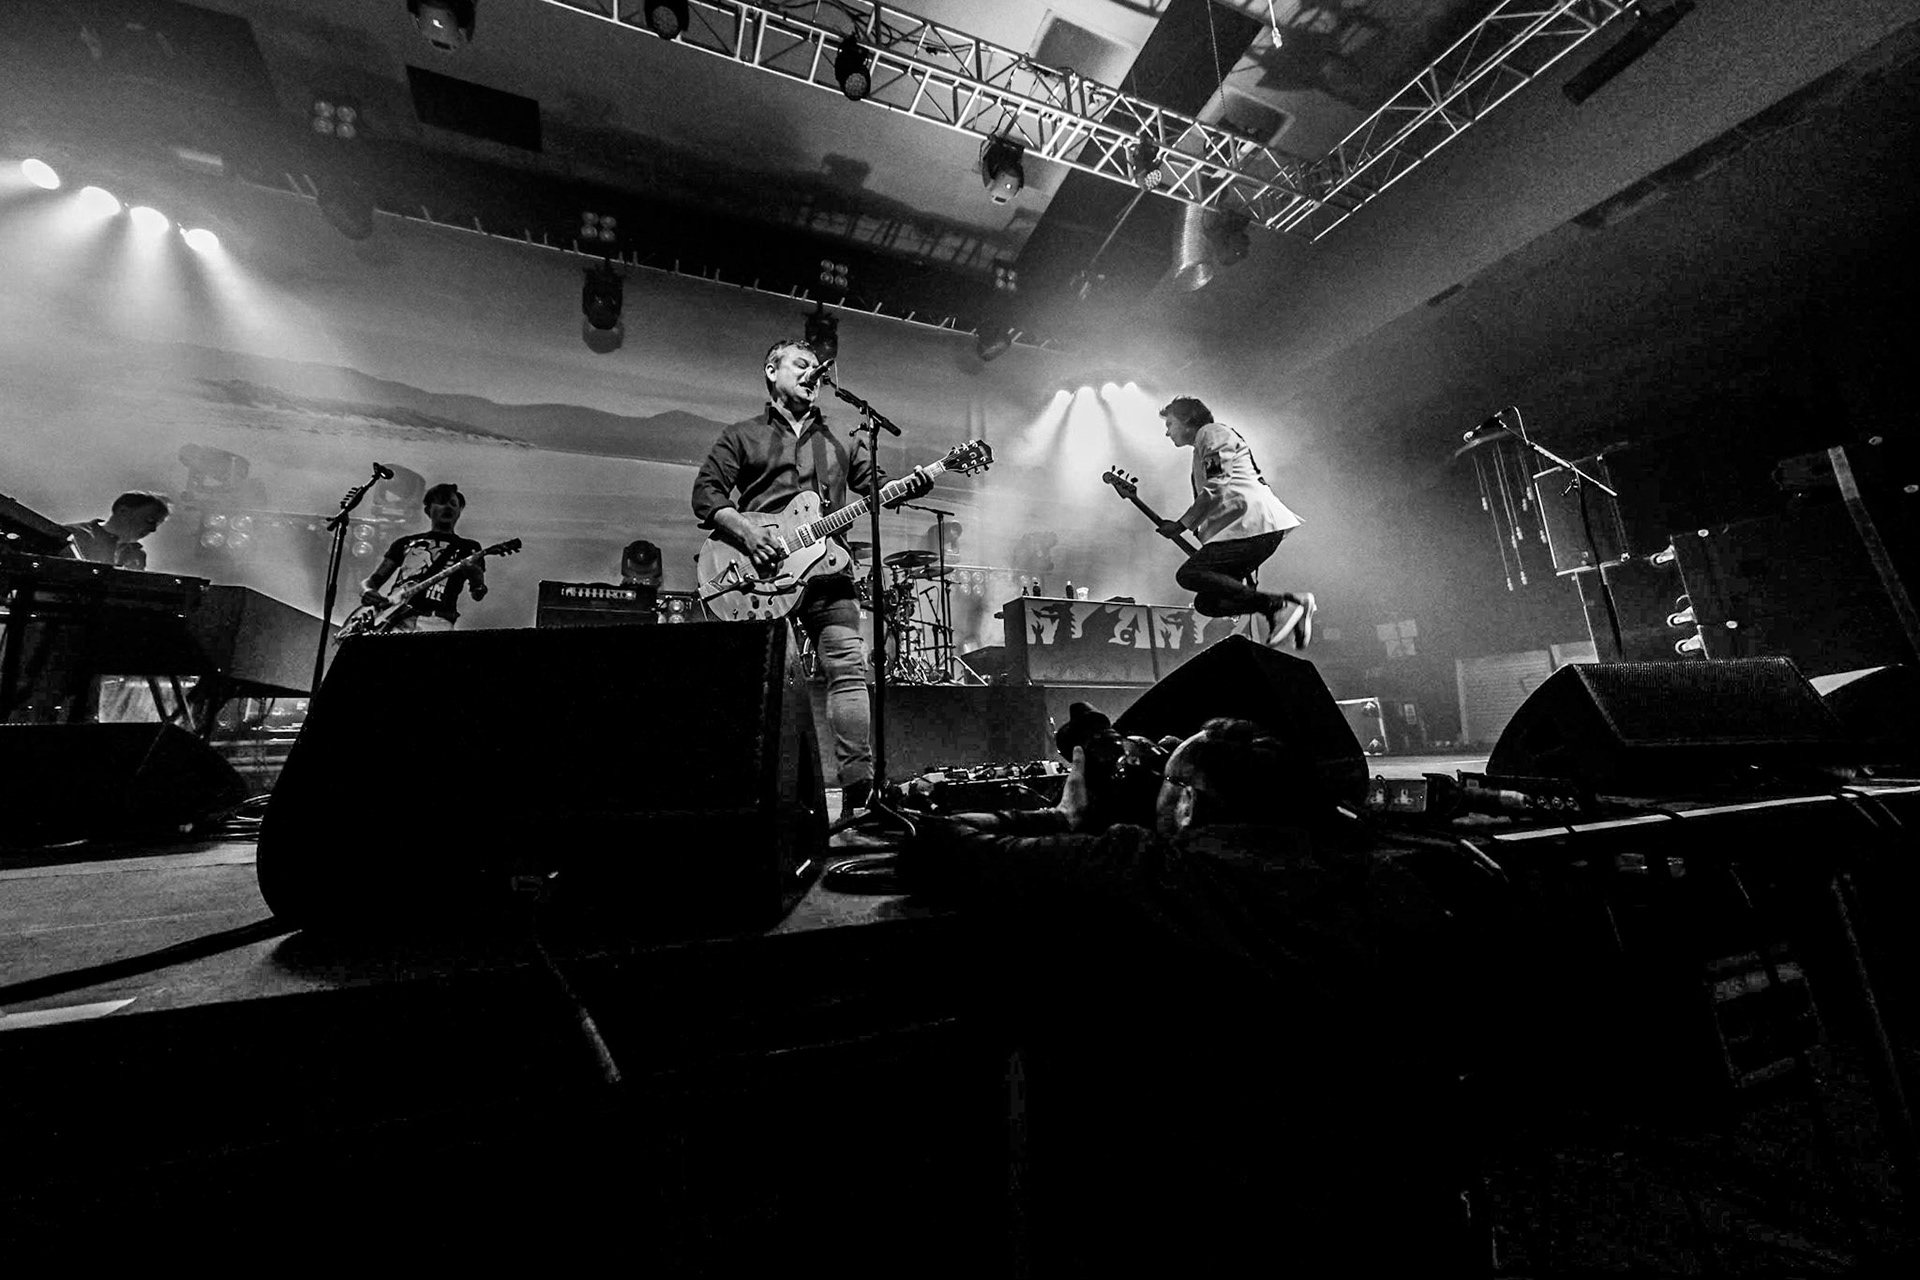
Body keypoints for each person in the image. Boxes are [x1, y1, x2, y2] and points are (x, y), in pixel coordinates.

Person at [900, 718, 1480, 1274]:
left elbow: (938, 846)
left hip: (1214, 1231)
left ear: (1186, 802)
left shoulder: (1139, 871)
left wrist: (1060, 816)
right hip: (1393, 1225)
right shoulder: (1392, 884)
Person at [691, 338, 926, 814]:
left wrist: (911, 483)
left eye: (816, 367)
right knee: (765, 681)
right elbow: (706, 494)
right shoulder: (742, 434)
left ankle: (860, 787)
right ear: (771, 371)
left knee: (848, 666)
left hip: (828, 571)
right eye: (800, 364)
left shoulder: (842, 439)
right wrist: (749, 533)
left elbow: (876, 487)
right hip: (759, 576)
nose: (811, 372)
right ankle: (760, 791)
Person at [1154, 396, 1315, 648]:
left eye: (1170, 423)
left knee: (1190, 574)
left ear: (1187, 420)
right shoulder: (1203, 446)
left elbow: (1217, 483)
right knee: (1207, 603)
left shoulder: (1211, 433)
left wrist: (1182, 524)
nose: (1167, 432)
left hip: (1254, 525)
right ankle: (1291, 602)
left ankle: (1277, 607)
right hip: (1246, 530)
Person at [358, 482, 489, 632]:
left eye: (453, 504)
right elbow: (372, 581)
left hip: (436, 622)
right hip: (394, 619)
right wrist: (366, 591)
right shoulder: (406, 543)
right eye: (441, 502)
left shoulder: (468, 547)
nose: (448, 507)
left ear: (459, 511)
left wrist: (477, 579)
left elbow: (478, 594)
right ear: (428, 510)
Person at [64, 491, 169, 570]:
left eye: (158, 524)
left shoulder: (137, 554)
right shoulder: (73, 534)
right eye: (150, 520)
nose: (153, 529)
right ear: (123, 511)